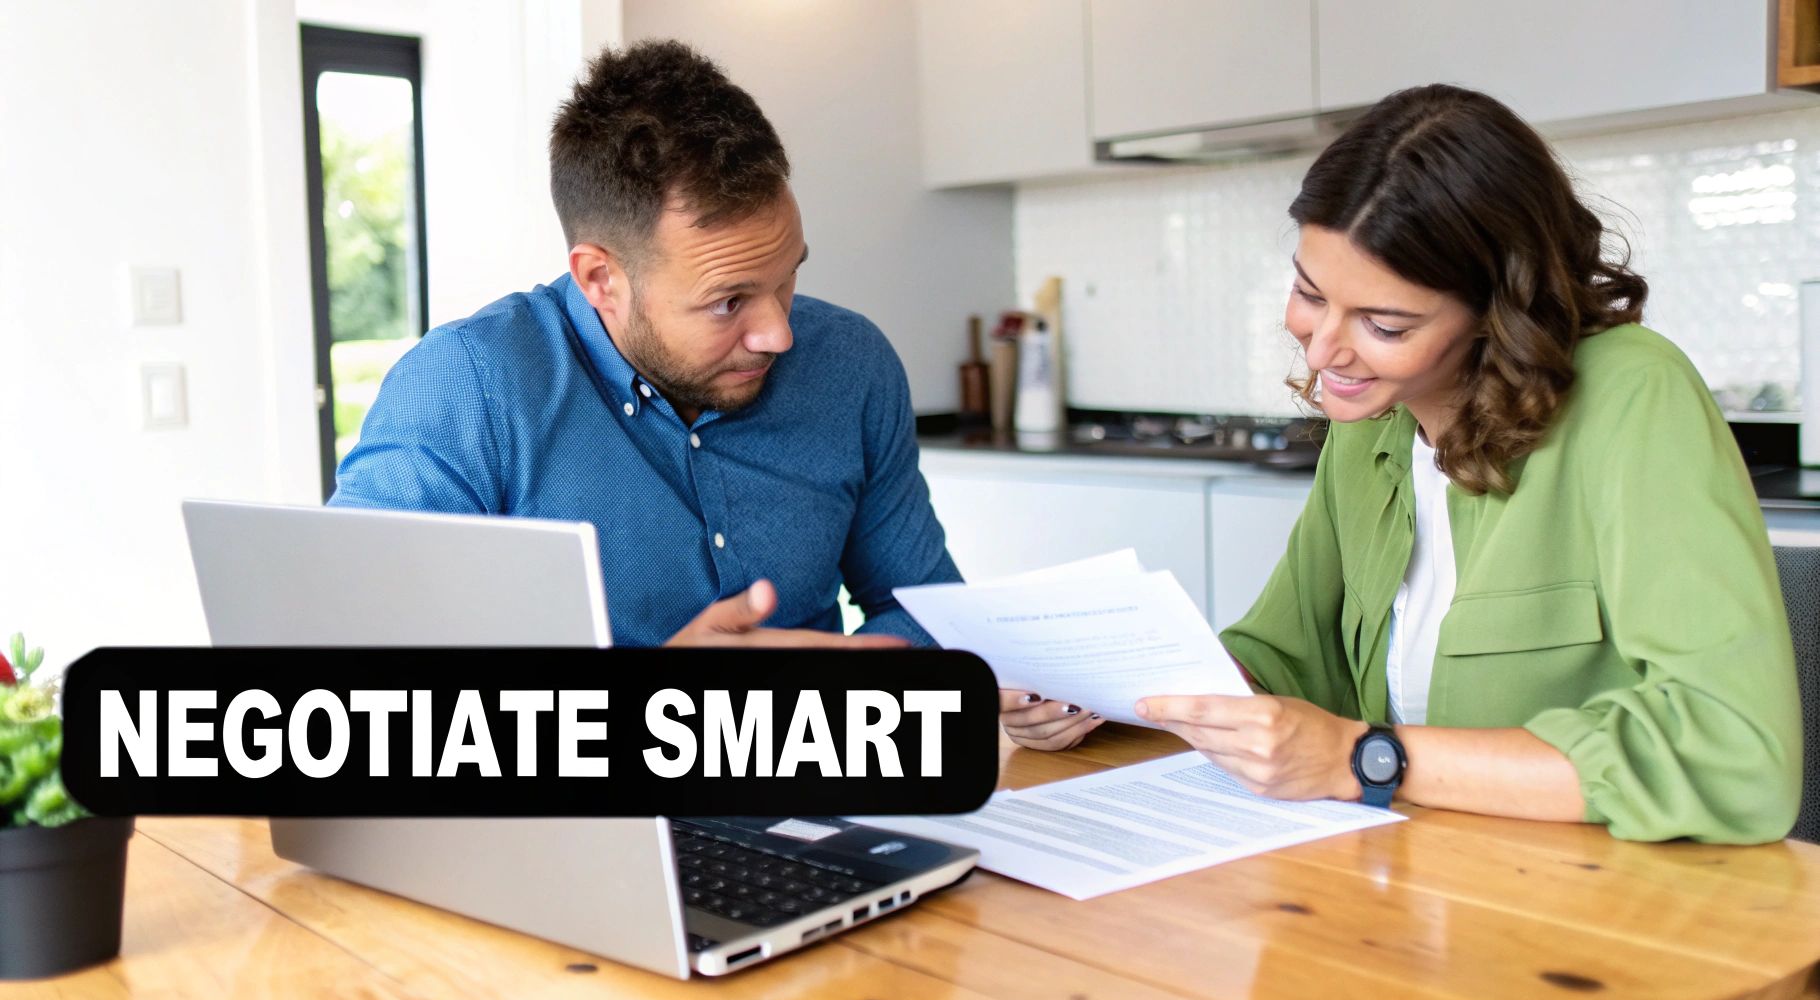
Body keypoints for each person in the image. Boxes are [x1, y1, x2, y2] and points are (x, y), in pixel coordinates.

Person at [1000, 84, 1802, 844]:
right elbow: (1289, 662)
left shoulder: (1633, 394)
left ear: (1500, 312)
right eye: (1311, 294)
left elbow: (1733, 754)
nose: (1323, 350)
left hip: (1596, 893)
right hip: (1414, 869)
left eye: (1383, 323)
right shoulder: (1373, 422)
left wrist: (1365, 758)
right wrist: (1116, 697)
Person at [330, 40, 959, 649]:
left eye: (787, 275)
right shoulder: (467, 388)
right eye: (728, 302)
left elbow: (927, 609)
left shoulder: (853, 363)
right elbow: (357, 669)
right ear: (601, 279)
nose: (779, 334)